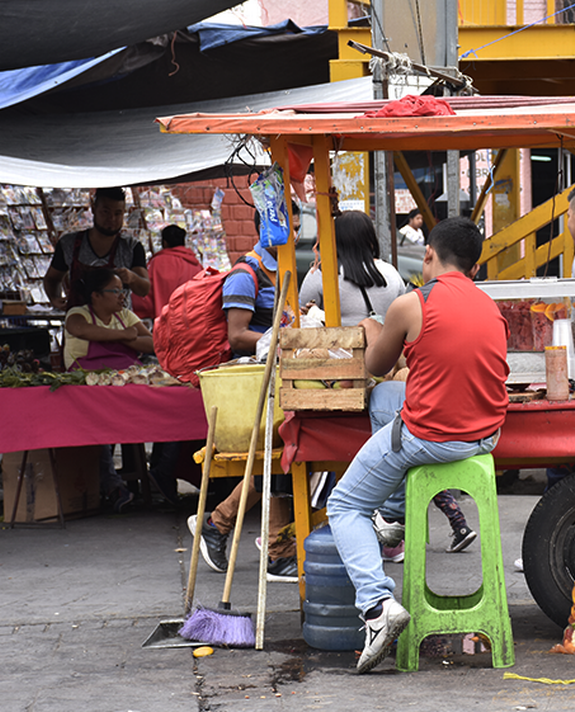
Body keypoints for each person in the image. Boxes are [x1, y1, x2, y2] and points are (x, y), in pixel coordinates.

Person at [326, 217, 508, 673]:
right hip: (485, 436)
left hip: (431, 438)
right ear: (474, 263)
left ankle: (375, 607)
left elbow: (375, 365)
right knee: (392, 407)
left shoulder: (411, 304)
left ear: (428, 254)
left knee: (344, 504)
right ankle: (390, 517)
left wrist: (372, 328)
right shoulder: (490, 306)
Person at [299, 211, 479, 559]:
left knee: (380, 462)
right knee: (409, 439)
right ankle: (417, 522)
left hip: (348, 380)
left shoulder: (323, 276)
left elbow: (302, 317)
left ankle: (380, 561)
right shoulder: (391, 274)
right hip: (415, 379)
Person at [186, 211, 298, 583]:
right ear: (264, 227)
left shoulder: (282, 272)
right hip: (252, 385)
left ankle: (219, 523)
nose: (292, 232)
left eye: (296, 225)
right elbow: (237, 335)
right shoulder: (244, 275)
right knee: (273, 459)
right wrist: (279, 338)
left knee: (279, 459)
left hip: (279, 380)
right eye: (286, 225)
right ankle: (276, 550)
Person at [63, 267, 154, 512]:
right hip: (89, 386)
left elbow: (152, 343)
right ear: (96, 295)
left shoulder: (126, 315)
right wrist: (124, 335)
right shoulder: (78, 314)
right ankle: (112, 485)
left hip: (125, 383)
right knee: (98, 422)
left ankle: (156, 476)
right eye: (115, 291)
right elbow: (81, 330)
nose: (122, 296)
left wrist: (126, 337)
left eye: (122, 290)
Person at [132, 225, 205, 504]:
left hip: (164, 339)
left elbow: (142, 305)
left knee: (166, 405)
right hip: (192, 341)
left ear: (163, 241)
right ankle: (166, 469)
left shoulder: (155, 264)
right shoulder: (196, 265)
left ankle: (162, 469)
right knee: (183, 404)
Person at [44, 187, 150, 310]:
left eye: (118, 213)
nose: (112, 219)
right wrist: (54, 299)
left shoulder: (131, 247)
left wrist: (132, 278)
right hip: (79, 324)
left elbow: (144, 289)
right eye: (105, 212)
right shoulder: (69, 243)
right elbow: (52, 278)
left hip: (118, 326)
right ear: (94, 209)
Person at [132, 225, 203, 320]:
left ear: (164, 243)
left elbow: (144, 294)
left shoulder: (156, 263)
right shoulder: (196, 265)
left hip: (165, 322)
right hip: (191, 322)